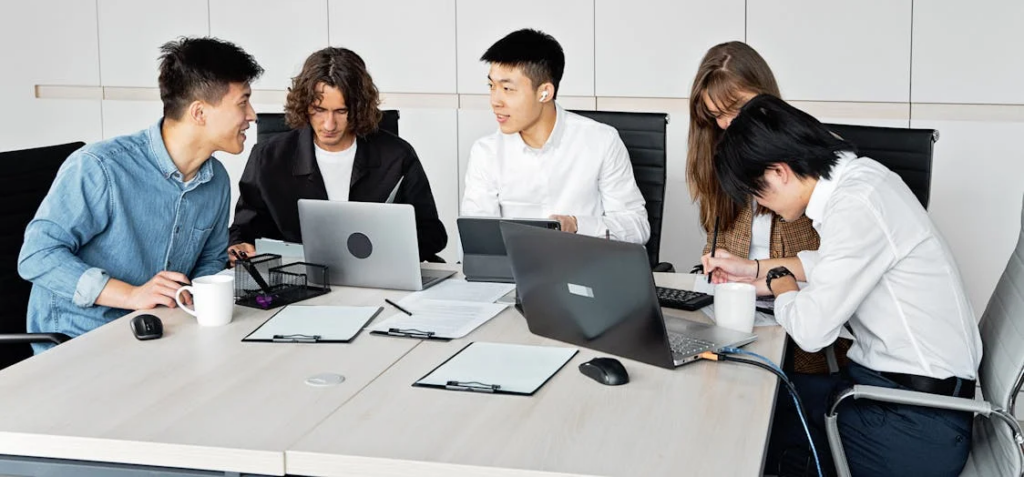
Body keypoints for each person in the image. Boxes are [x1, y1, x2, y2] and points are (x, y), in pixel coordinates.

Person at [703, 95, 981, 477]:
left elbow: (812, 331)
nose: (759, 204)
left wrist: (779, 283)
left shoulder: (857, 205)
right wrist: (752, 268)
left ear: (780, 172)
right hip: (891, 395)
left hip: (915, 425)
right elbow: (831, 266)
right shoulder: (862, 182)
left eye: (756, 192)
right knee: (753, 392)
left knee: (749, 431)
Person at [18, 37, 264, 351]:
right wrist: (132, 295)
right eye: (243, 102)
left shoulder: (214, 180)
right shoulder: (101, 168)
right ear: (199, 113)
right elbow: (37, 255)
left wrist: (207, 286)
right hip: (79, 342)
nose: (252, 115)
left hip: (161, 335)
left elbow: (208, 262)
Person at [687, 41, 843, 375]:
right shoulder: (716, 154)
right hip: (739, 311)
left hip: (798, 319)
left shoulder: (806, 159)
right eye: (716, 116)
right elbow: (716, 239)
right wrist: (723, 267)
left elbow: (828, 265)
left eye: (736, 110)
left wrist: (771, 278)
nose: (728, 124)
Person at [229, 47, 447, 262]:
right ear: (305, 106)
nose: (329, 124)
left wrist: (387, 247)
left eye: (341, 111)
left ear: (359, 108)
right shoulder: (268, 157)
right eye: (319, 110)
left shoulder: (397, 155)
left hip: (376, 278)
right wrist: (238, 246)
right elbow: (243, 230)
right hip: (298, 280)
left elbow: (432, 234)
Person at [462, 28, 649, 244]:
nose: (495, 100)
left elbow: (637, 227)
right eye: (491, 86)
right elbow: (475, 240)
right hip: (513, 275)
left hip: (585, 270)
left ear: (545, 92)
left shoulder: (601, 142)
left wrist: (576, 225)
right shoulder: (486, 152)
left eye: (507, 88)